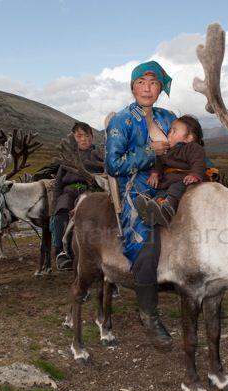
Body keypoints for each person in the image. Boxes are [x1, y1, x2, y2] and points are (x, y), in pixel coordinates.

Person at [105, 60, 176, 349]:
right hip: (136, 192)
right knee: (146, 244)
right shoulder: (122, 120)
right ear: (133, 87)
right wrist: (150, 153)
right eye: (141, 83)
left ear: (161, 88)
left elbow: (184, 146)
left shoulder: (168, 117)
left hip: (170, 186)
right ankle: (148, 315)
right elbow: (113, 164)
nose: (148, 88)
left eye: (154, 83)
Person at [135, 115, 207, 226]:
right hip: (168, 181)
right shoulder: (167, 151)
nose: (169, 134)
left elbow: (199, 162)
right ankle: (151, 212)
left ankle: (168, 210)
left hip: (184, 179)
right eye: (169, 131)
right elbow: (158, 162)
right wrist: (155, 173)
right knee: (161, 192)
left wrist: (195, 175)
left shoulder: (193, 148)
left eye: (174, 131)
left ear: (189, 138)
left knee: (175, 188)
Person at [52, 122, 104, 270]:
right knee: (61, 213)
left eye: (87, 135)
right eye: (79, 136)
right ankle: (62, 252)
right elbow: (58, 185)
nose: (84, 139)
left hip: (91, 192)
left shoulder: (99, 154)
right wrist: (54, 207)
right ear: (74, 138)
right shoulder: (67, 157)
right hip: (69, 192)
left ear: (92, 137)